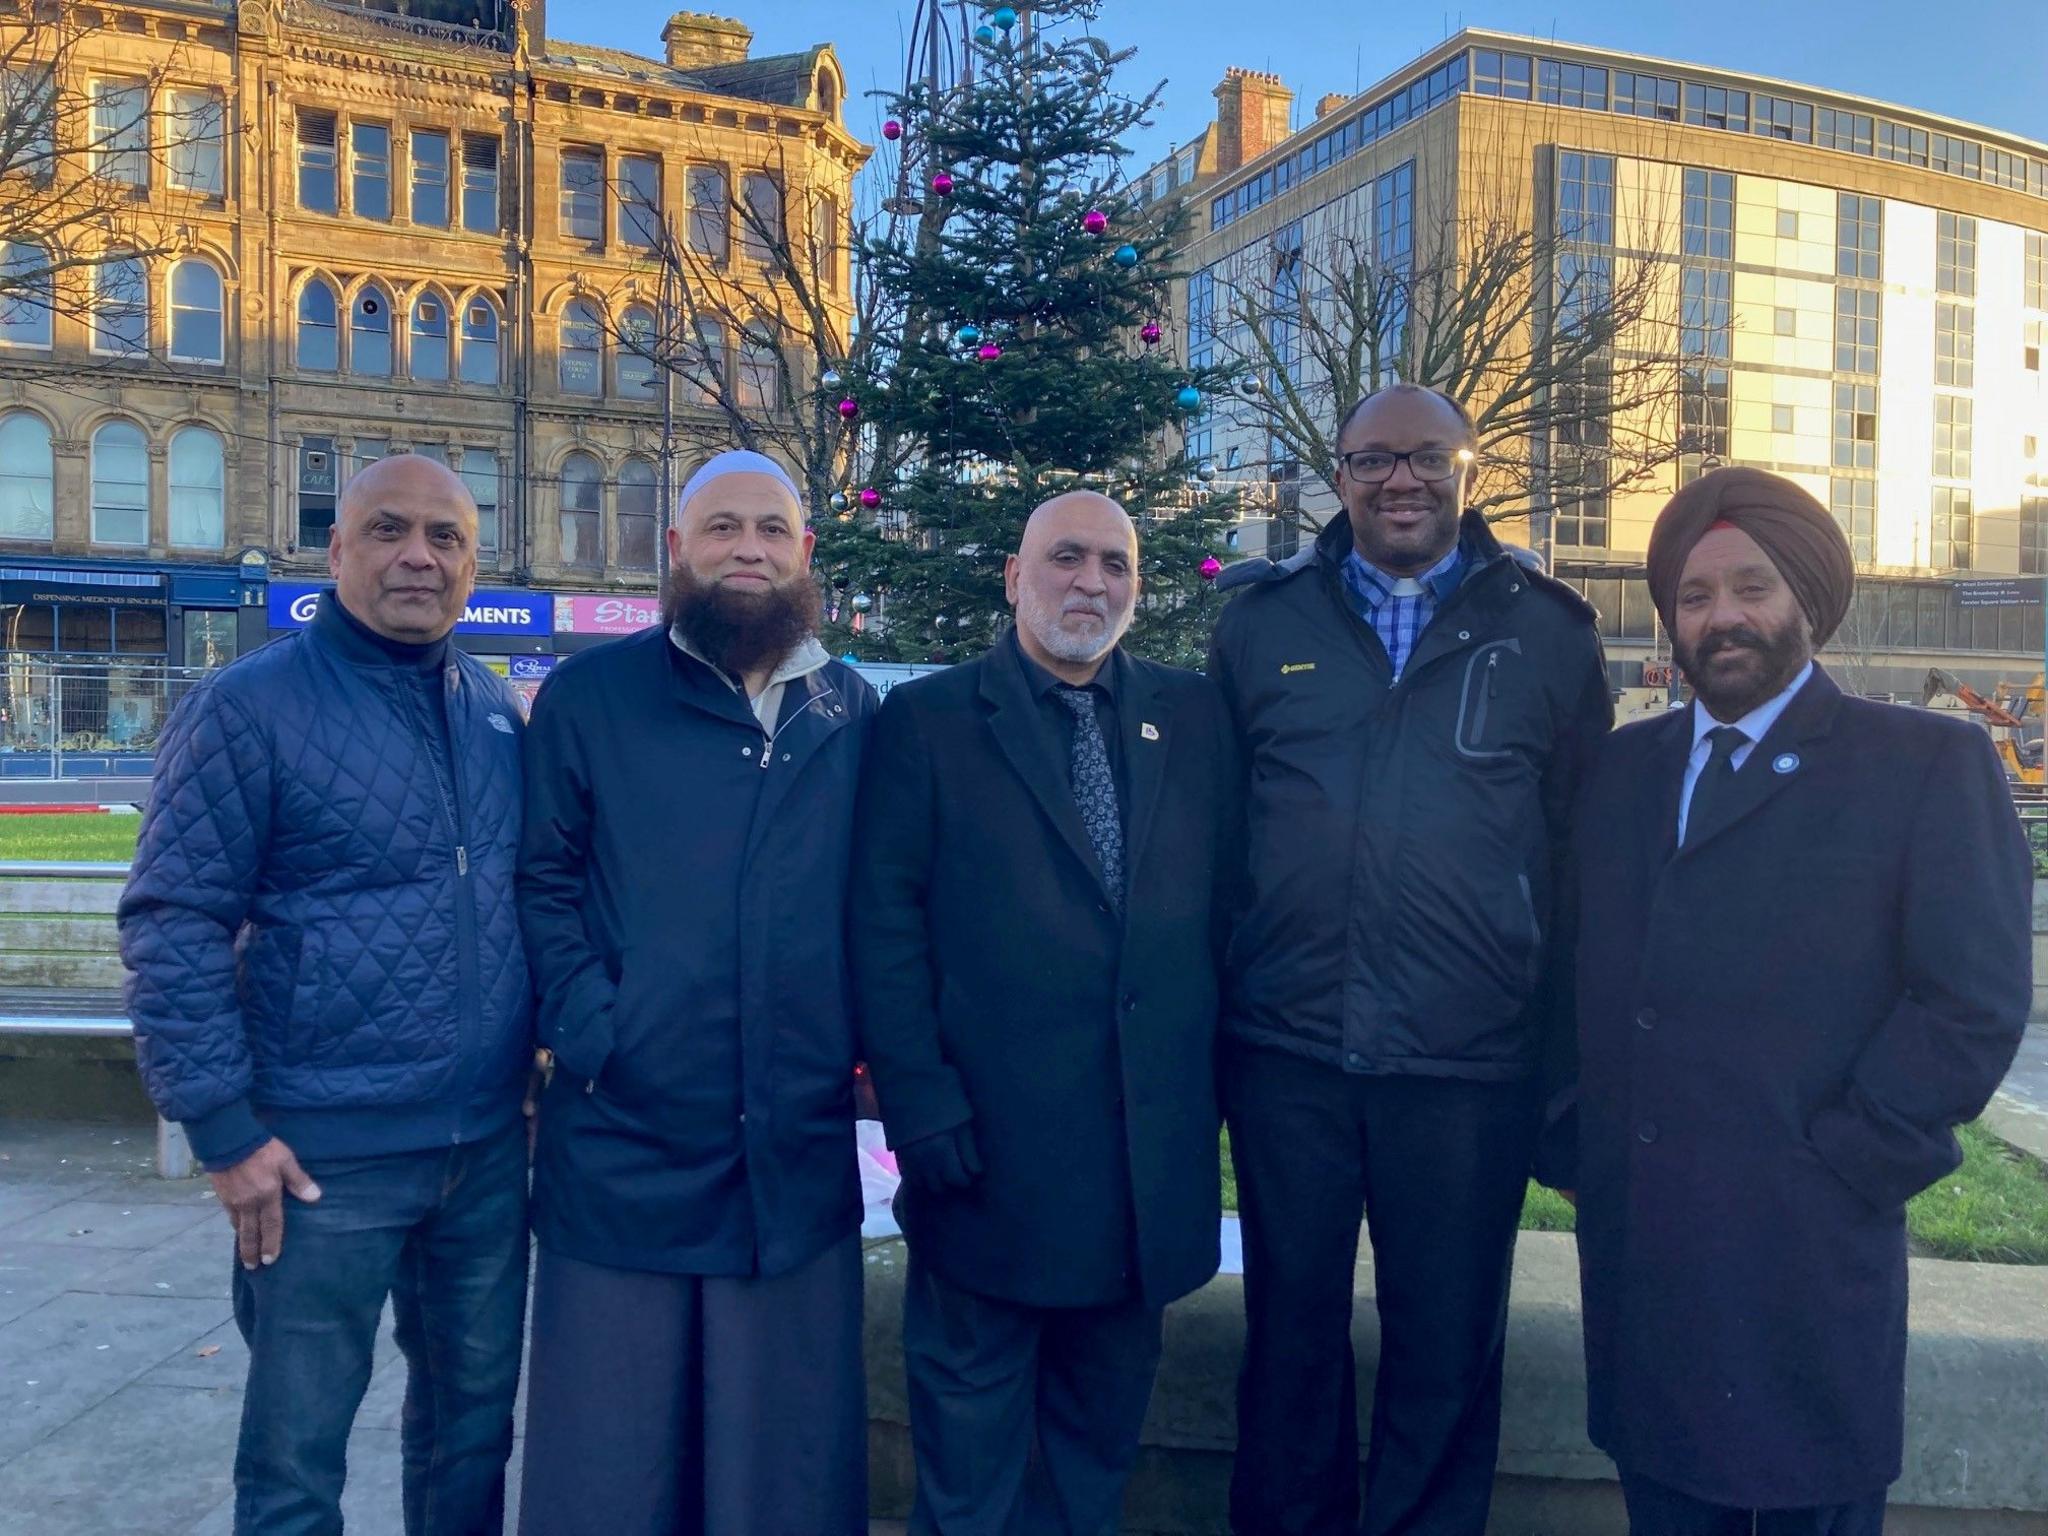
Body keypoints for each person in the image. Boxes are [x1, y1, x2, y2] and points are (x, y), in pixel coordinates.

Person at [1558, 468, 2030, 1535]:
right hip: (1646, 1259)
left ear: (1805, 600)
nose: (1720, 615)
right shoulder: (1622, 772)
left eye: (1750, 587)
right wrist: (1573, 1143)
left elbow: (1971, 1000)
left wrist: (1847, 1160)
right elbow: (1565, 969)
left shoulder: (1922, 762)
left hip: (1802, 1258)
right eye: (1691, 595)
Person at [1206, 383, 1614, 1536]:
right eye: (1372, 459)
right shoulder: (1257, 622)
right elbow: (1217, 840)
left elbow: (1582, 857)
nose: (1400, 480)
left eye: (1426, 458)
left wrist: (1561, 1062)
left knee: (1446, 1345)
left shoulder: (1547, 629)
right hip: (1289, 1058)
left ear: (1467, 472)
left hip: (1466, 1066)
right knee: (1288, 1336)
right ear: (1334, 476)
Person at [120, 454, 531, 1536]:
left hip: (483, 1151)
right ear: (335, 549)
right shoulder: (246, 706)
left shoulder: (491, 711)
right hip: (316, 1159)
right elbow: (173, 919)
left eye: (444, 538)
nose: (418, 556)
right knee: (298, 1459)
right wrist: (220, 1127)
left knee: (471, 1436)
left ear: (472, 562)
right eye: (389, 530)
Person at [851, 491, 1237, 1536]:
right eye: (1065, 558)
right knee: (967, 1478)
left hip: (1136, 1182)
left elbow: (1224, 914)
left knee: (1088, 1468)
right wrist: (919, 1107)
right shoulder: (926, 723)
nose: (1091, 581)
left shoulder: (1191, 718)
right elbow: (883, 928)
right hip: (984, 1172)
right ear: (1014, 578)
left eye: (1115, 564)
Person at [516, 450, 875, 1536]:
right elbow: (540, 880)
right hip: (625, 1139)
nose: (747, 550)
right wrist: (594, 1027)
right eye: (721, 528)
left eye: (770, 529)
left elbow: (884, 907)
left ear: (805, 552)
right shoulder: (591, 698)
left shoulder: (849, 712)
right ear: (675, 550)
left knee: (781, 1477)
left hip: (791, 1154)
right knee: (611, 1469)